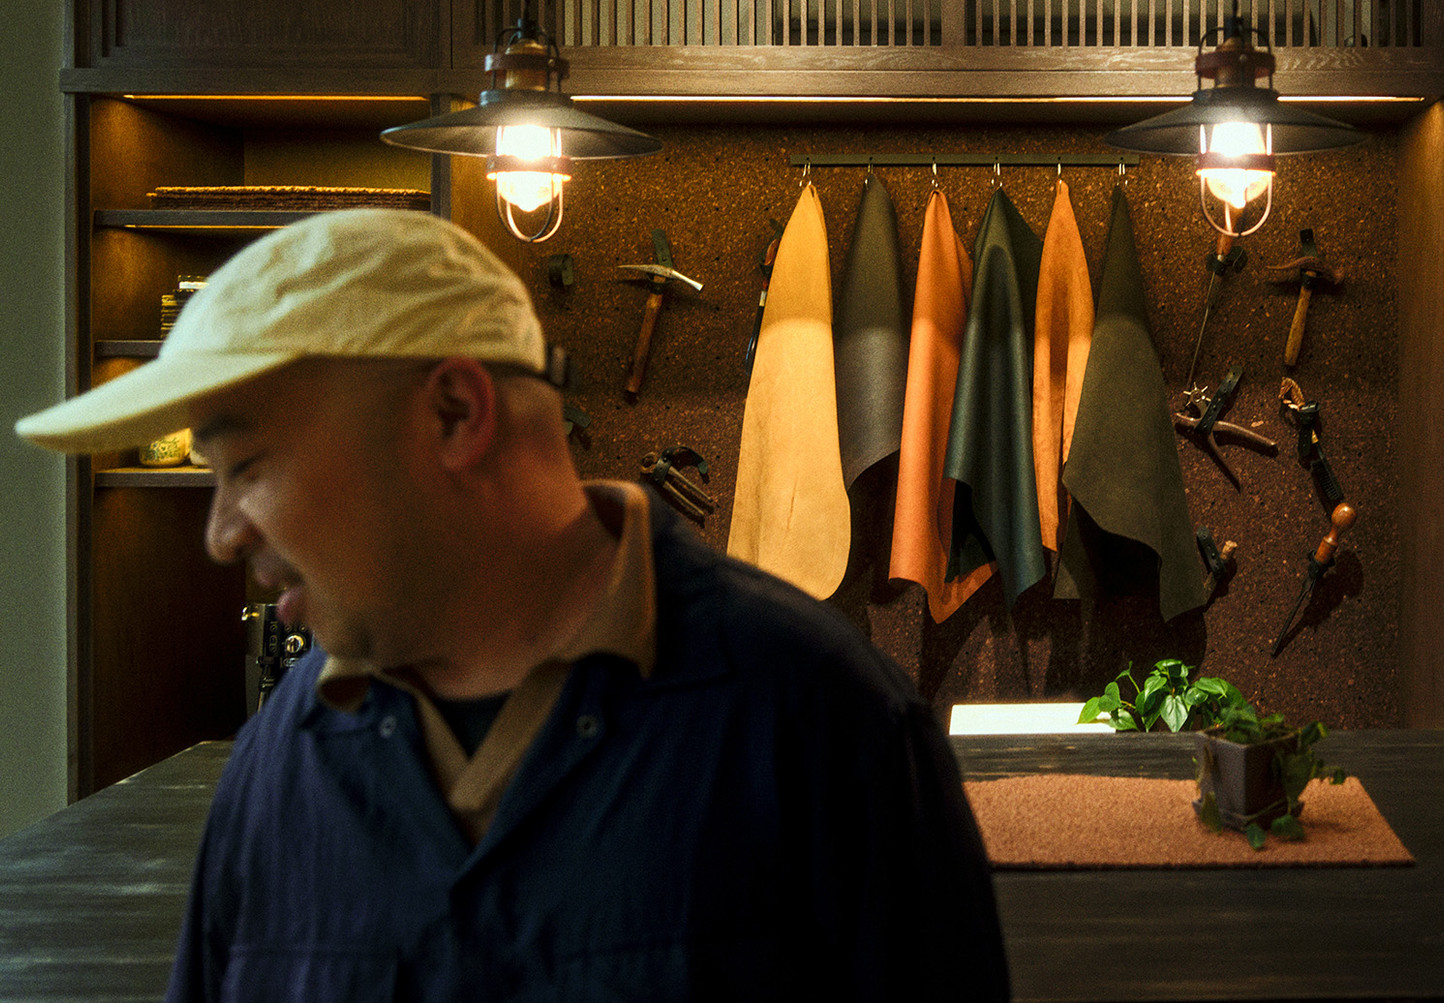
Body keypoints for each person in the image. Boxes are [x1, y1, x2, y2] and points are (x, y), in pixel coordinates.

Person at [16, 209, 1009, 1001]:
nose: (222, 531)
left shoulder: (821, 723)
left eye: (250, 464)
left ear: (454, 413)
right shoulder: (284, 755)